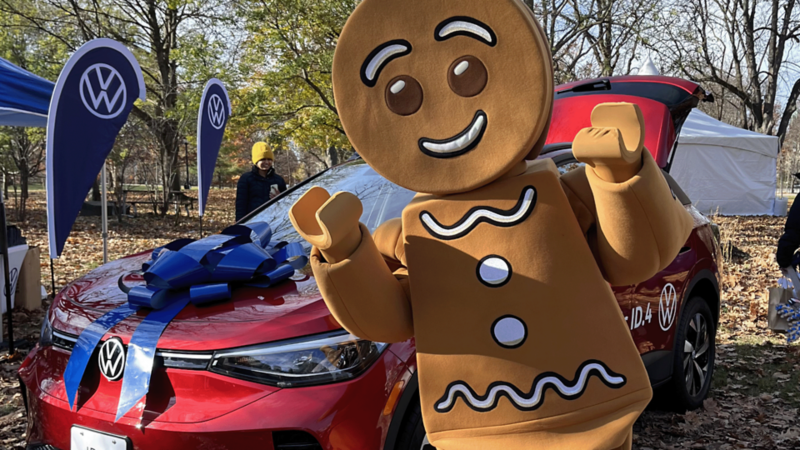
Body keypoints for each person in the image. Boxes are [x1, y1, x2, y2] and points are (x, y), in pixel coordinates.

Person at [235, 142, 287, 221]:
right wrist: (240, 225)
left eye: (269, 159)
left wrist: (280, 198)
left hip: (273, 222)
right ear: (256, 161)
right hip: (252, 222)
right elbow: (241, 205)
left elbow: (286, 205)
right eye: (263, 159)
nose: (267, 162)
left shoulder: (278, 180)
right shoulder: (246, 178)